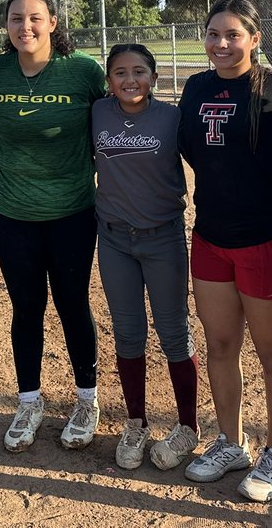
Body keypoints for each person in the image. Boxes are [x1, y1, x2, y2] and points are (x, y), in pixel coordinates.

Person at [177, 0, 272, 503]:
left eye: (234, 35)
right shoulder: (197, 87)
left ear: (255, 39)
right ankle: (231, 442)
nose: (222, 44)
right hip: (211, 237)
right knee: (220, 346)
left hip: (267, 238)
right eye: (214, 34)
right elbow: (195, 151)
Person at [0, 0, 108, 453]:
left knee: (73, 303)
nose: (25, 27)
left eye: (35, 18)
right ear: (6, 25)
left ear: (53, 22)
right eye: (16, 19)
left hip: (73, 211)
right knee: (26, 307)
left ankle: (86, 400)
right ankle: (29, 401)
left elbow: (114, 119)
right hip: (12, 213)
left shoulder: (83, 71)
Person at [92, 43, 199, 471]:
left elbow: (211, 163)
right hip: (115, 238)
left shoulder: (171, 117)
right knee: (128, 332)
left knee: (174, 331)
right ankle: (135, 421)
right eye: (120, 72)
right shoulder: (97, 113)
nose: (130, 80)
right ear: (109, 81)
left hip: (163, 237)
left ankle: (188, 426)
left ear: (154, 78)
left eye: (139, 71)